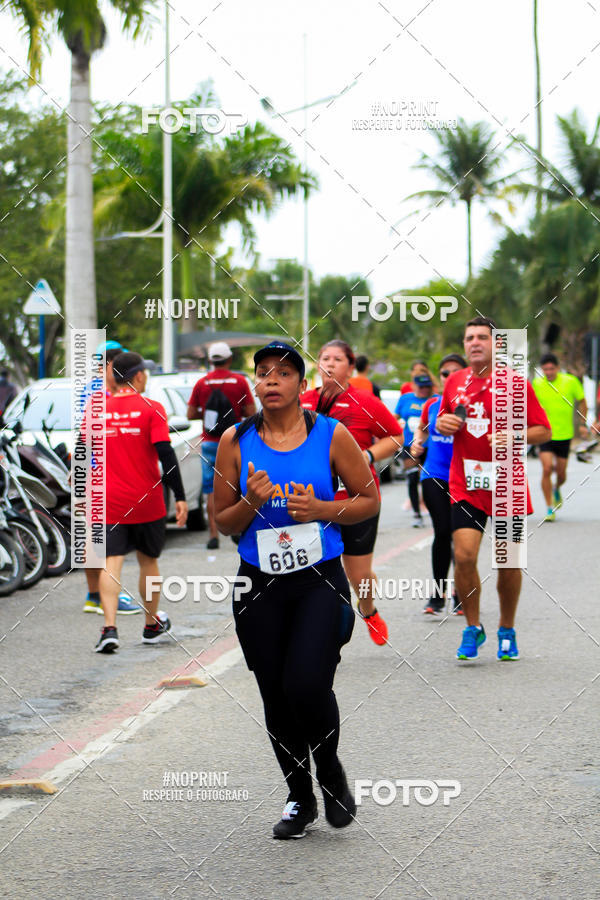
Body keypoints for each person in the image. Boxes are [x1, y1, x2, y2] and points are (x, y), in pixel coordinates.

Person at [214, 341, 380, 839]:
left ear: (301, 386)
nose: (270, 381)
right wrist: (249, 501)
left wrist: (324, 511)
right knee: (275, 694)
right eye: (263, 373)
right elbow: (222, 521)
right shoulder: (234, 441)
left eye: (282, 373)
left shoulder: (332, 434)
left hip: (318, 579)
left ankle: (329, 772)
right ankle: (299, 796)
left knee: (306, 685)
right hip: (259, 582)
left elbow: (368, 500)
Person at [436, 317, 551, 661]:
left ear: (496, 344)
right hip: (467, 481)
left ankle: (506, 629)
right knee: (465, 555)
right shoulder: (454, 381)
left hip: (507, 484)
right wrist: (443, 422)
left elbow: (543, 431)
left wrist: (515, 435)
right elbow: (443, 420)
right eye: (469, 337)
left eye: (481, 337)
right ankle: (472, 627)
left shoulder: (516, 384)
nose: (474, 343)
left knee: (508, 561)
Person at [301, 340, 403, 646]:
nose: (329, 364)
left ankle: (368, 609)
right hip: (312, 501)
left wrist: (368, 456)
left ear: (350, 366)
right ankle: (319, 632)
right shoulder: (302, 400)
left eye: (337, 359)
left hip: (357, 499)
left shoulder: (365, 401)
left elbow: (396, 436)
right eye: (324, 358)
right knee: (312, 571)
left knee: (359, 576)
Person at [89, 352, 188, 653]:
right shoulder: (152, 409)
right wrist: (181, 496)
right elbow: (166, 454)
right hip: (145, 501)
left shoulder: (96, 409)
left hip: (109, 500)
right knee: (148, 561)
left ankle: (109, 628)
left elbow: (85, 459)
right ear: (139, 376)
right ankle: (150, 624)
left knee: (111, 562)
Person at [81, 341, 142, 616]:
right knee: (109, 542)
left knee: (94, 537)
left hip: (91, 471)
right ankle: (107, 596)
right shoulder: (105, 394)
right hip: (103, 474)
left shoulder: (87, 390)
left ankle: (94, 595)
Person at [411, 354, 468, 615]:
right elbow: (422, 429)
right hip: (434, 475)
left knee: (461, 536)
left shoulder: (473, 405)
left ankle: (460, 593)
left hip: (466, 478)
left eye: (455, 372)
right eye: (445, 373)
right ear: (440, 377)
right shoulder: (432, 404)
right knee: (442, 531)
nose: (449, 377)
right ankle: (437, 595)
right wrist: (417, 442)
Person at [187, 342, 256, 549]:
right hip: (235, 441)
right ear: (229, 359)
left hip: (209, 442)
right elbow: (251, 412)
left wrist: (209, 416)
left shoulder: (202, 382)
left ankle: (213, 535)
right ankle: (236, 528)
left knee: (210, 490)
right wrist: (232, 414)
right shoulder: (239, 381)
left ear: (210, 361)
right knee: (238, 486)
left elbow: (190, 414)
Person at [532, 353, 588, 522]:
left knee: (561, 474)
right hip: (544, 434)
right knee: (547, 468)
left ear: (557, 368)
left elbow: (582, 401)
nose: (548, 372)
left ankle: (557, 488)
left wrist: (582, 424)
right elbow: (531, 406)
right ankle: (550, 508)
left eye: (551, 368)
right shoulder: (537, 383)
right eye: (545, 369)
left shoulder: (570, 381)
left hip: (565, 434)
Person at [394, 373, 435, 526]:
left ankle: (433, 509)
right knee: (412, 478)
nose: (424, 389)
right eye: (421, 386)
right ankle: (417, 514)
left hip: (431, 446)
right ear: (414, 385)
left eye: (427, 386)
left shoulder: (436, 399)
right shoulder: (405, 399)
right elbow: (395, 417)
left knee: (429, 480)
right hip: (409, 444)